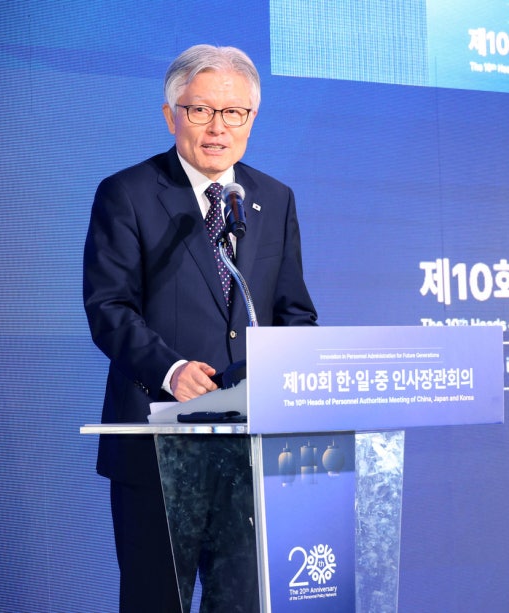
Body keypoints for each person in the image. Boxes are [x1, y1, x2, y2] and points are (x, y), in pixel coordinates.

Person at [83, 44, 318, 611]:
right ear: (170, 115)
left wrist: (293, 370)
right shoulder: (128, 194)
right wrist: (170, 368)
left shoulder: (273, 198)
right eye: (200, 111)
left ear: (251, 119)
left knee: (241, 601)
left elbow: (295, 312)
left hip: (251, 452)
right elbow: (109, 306)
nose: (218, 128)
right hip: (157, 446)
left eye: (233, 113)